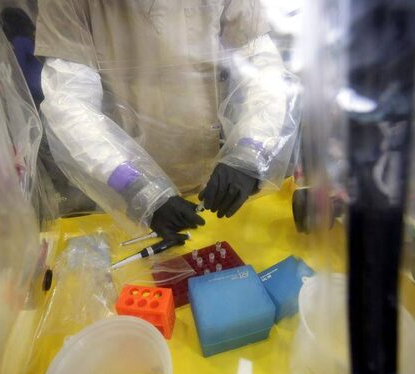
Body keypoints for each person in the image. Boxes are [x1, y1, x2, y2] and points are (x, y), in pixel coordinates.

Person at [35, 0, 297, 238]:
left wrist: (250, 153)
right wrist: (136, 187)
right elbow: (69, 100)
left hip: (210, 176)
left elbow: (261, 68)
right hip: (120, 185)